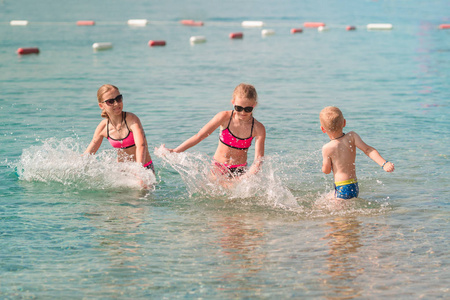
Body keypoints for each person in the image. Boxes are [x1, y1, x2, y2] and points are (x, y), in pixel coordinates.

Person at [164, 83, 266, 179]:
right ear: (233, 102)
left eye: (247, 109)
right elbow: (199, 136)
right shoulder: (224, 117)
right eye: (238, 108)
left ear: (254, 105)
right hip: (218, 167)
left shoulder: (258, 128)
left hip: (240, 170)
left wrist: (244, 178)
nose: (243, 112)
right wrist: (175, 151)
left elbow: (258, 159)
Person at [320, 106, 394, 199]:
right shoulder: (352, 136)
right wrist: (384, 163)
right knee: (326, 199)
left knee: (337, 212)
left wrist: (324, 165)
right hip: (353, 185)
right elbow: (368, 150)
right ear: (344, 123)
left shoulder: (327, 148)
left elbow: (326, 171)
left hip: (342, 187)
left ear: (323, 129)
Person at [84, 84, 154, 173]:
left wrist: (139, 170)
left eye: (118, 98)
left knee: (141, 186)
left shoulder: (131, 119)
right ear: (101, 106)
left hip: (143, 167)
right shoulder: (103, 127)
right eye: (110, 101)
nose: (116, 104)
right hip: (122, 171)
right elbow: (89, 153)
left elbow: (141, 146)